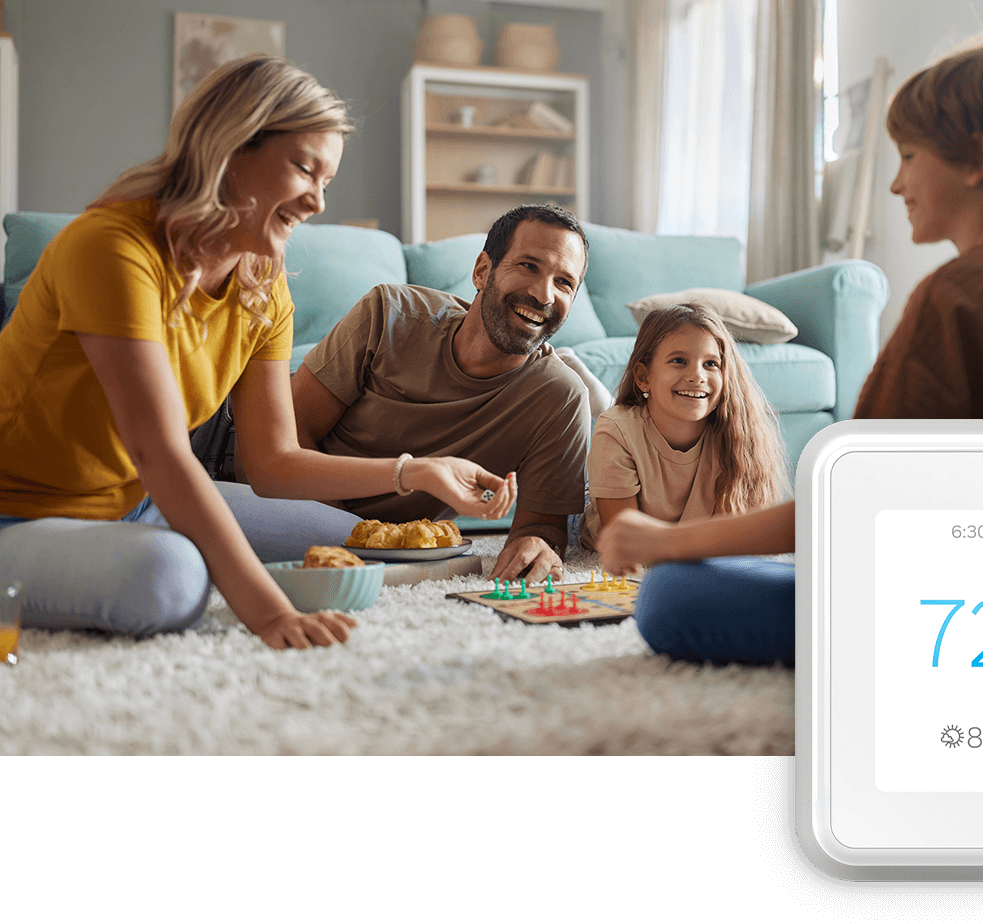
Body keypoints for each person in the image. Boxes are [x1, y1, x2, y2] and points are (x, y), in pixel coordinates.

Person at [598, 36, 983, 662]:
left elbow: (847, 503)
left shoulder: (956, 293)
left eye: (909, 155)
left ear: (976, 159)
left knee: (672, 596)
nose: (896, 183)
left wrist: (665, 543)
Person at [0, 55, 514, 650]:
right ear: (231, 147)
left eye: (328, 181)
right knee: (171, 579)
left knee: (365, 541)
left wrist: (412, 471)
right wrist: (271, 614)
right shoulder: (113, 249)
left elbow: (271, 462)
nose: (318, 201)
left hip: (137, 502)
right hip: (20, 511)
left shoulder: (261, 283)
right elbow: (161, 451)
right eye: (304, 168)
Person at [289, 204, 592, 585]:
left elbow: (543, 527)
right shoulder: (389, 315)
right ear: (483, 271)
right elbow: (289, 433)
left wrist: (537, 544)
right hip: (227, 448)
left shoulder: (560, 397)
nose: (543, 294)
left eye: (564, 282)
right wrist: (351, 535)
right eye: (529, 266)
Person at [579, 302, 786, 551]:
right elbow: (628, 544)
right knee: (613, 419)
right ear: (644, 377)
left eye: (711, 364)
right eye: (679, 360)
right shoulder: (616, 431)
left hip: (675, 539)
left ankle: (603, 400)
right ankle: (590, 390)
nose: (697, 376)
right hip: (596, 520)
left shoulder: (735, 434)